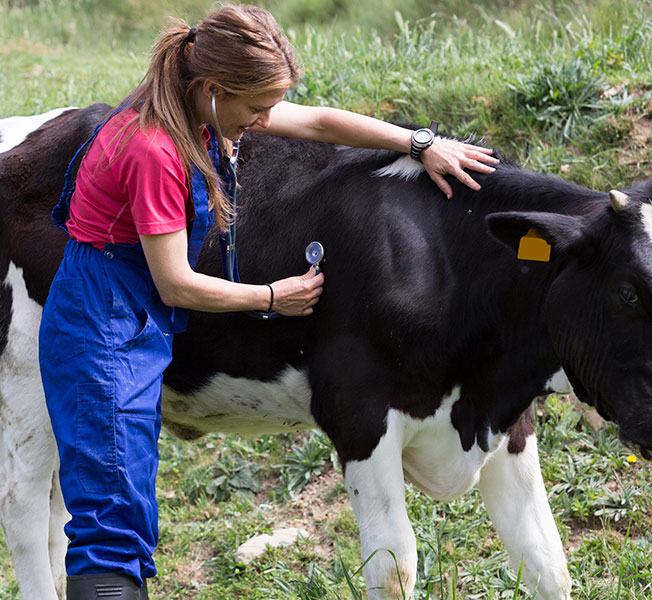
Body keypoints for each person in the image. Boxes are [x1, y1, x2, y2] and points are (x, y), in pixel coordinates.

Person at [38, 4, 498, 599]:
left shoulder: (189, 109)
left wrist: (419, 143)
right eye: (255, 107)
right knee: (111, 523)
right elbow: (175, 282)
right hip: (103, 327)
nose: (263, 120)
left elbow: (317, 124)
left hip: (129, 321)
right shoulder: (153, 150)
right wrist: (273, 297)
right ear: (213, 89)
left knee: (125, 505)